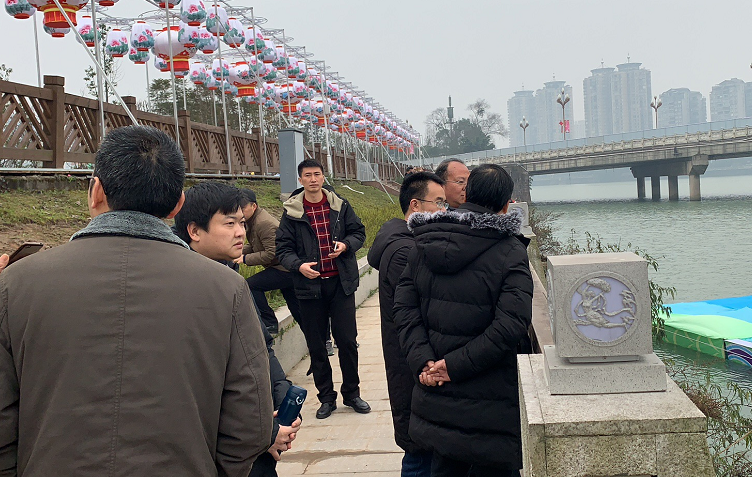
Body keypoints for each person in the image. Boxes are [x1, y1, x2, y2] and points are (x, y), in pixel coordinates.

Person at [0, 126, 273, 476]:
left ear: (96, 191)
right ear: (178, 205)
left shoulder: (16, 284)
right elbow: (252, 418)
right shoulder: (226, 288)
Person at [393, 164, 534, 477]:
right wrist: (453, 367)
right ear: (506, 205)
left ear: (467, 194)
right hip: (490, 406)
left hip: (436, 396)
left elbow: (403, 309)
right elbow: (512, 325)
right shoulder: (510, 249)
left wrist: (425, 362)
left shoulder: (425, 240)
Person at [173, 182, 303, 477]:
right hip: (227, 450)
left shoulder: (230, 277)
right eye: (229, 224)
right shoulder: (183, 289)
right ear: (194, 231)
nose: (240, 232)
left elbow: (260, 347)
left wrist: (281, 395)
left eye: (242, 223)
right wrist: (265, 433)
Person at [276, 159, 370, 419]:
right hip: (309, 287)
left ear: (323, 177)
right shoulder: (292, 211)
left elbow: (358, 232)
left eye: (317, 174)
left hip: (340, 284)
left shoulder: (340, 205)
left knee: (347, 342)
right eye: (308, 175)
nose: (313, 179)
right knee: (317, 346)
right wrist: (298, 266)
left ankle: (352, 394)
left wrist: (346, 245)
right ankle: (326, 398)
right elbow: (282, 249)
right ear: (301, 180)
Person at [367, 171, 446, 477]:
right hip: (413, 365)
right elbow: (419, 312)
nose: (443, 210)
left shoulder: (406, 241)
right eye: (438, 202)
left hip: (414, 360)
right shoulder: (404, 251)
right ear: (415, 205)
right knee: (419, 453)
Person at [238, 188, 302, 335]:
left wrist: (244, 259)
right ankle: (321, 338)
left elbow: (272, 253)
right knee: (298, 310)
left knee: (250, 285)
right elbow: (256, 245)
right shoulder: (253, 220)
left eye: (242, 208)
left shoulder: (263, 223)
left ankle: (269, 323)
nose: (239, 212)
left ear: (253, 206)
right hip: (284, 268)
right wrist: (237, 250)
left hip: (284, 268)